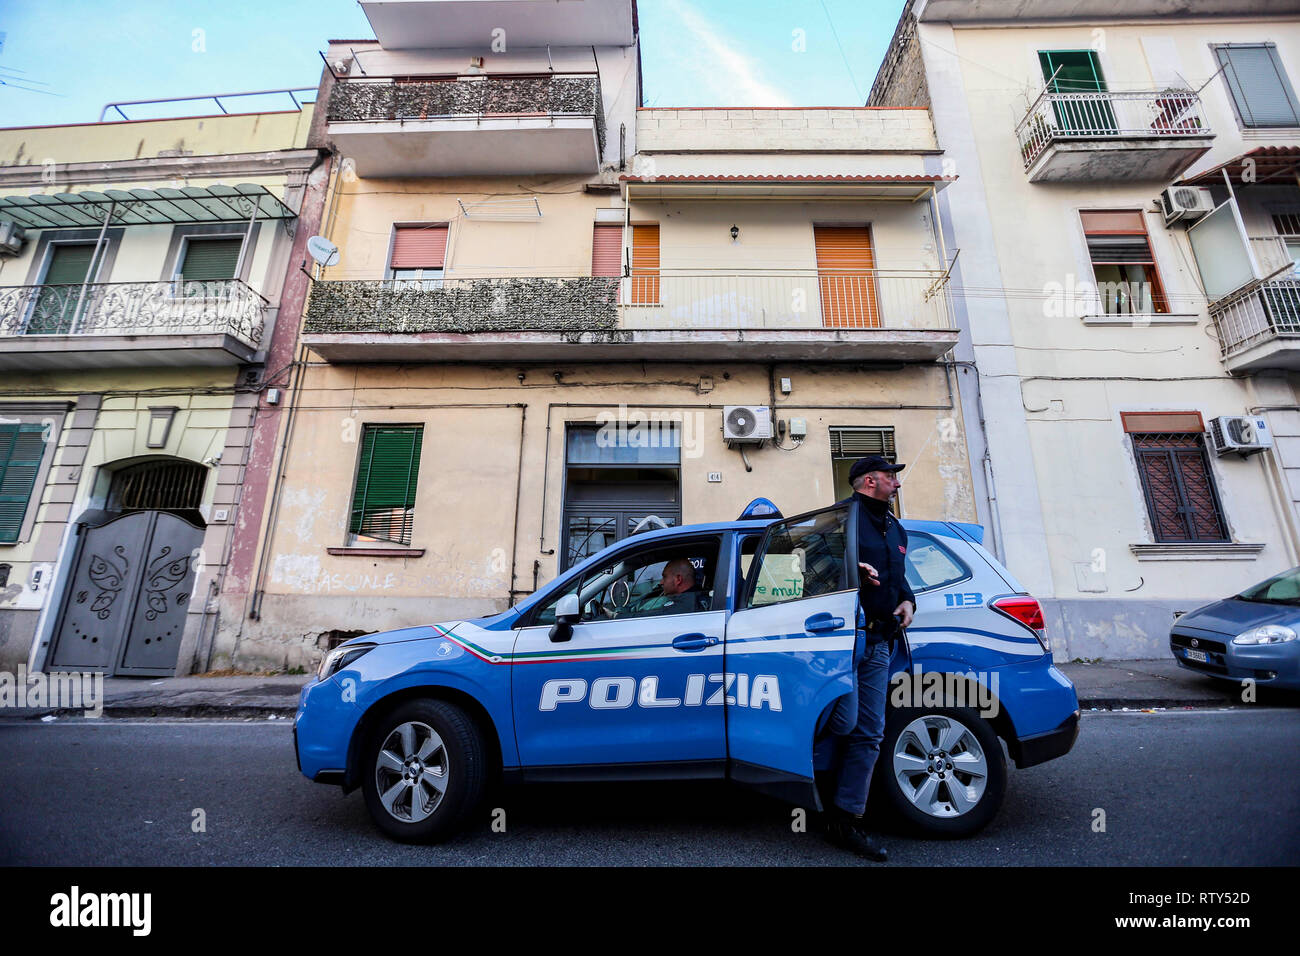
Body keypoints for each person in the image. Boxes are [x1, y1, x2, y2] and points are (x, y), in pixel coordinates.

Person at [814, 454, 917, 861]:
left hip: (877, 644)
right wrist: (848, 572)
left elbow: (898, 573)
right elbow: (807, 570)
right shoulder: (837, 519)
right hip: (837, 643)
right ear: (870, 480)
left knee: (869, 732)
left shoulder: (893, 525)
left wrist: (907, 600)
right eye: (891, 476)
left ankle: (845, 818)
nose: (897, 482)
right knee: (841, 721)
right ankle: (812, 793)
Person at [631, 557, 705, 617]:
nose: (661, 582)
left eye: (664, 577)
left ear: (678, 579)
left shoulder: (683, 607)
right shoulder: (695, 599)